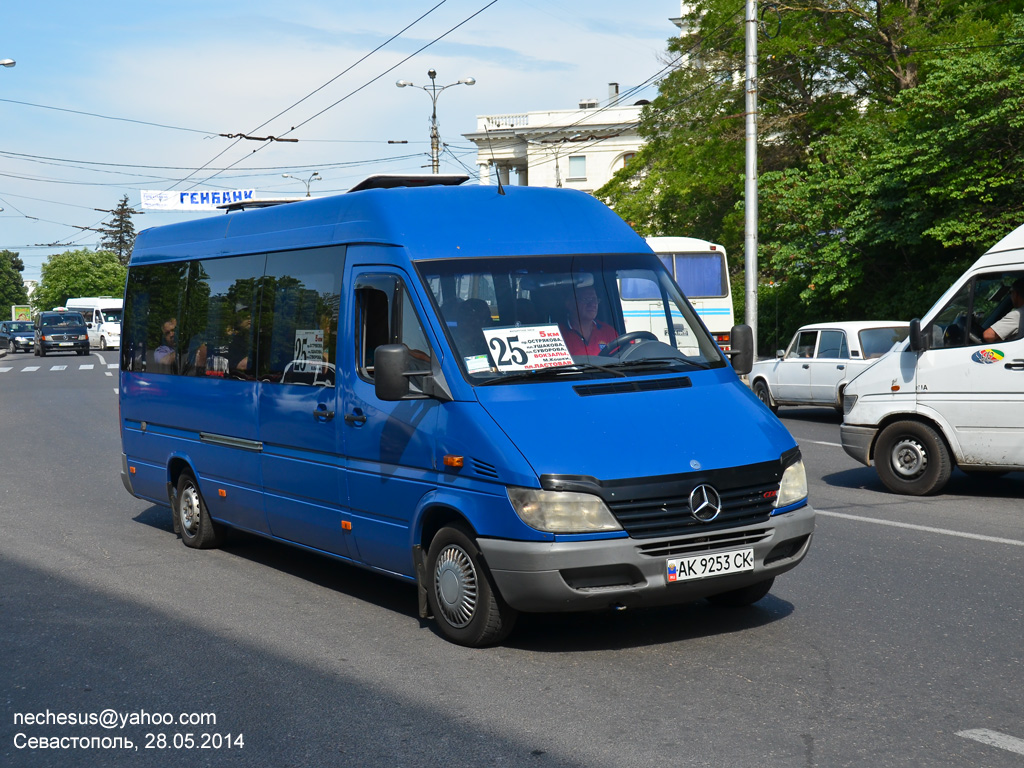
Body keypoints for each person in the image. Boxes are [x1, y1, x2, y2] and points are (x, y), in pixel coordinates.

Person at [558, 284, 618, 356]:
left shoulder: (608, 332)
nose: (593, 304)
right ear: (569, 304)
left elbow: (621, 358)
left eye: (594, 299)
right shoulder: (558, 334)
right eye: (586, 299)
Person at [982, 278, 1024, 342]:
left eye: (1010, 292)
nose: (1010, 296)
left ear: (1015, 294)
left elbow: (988, 335)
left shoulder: (1018, 315)